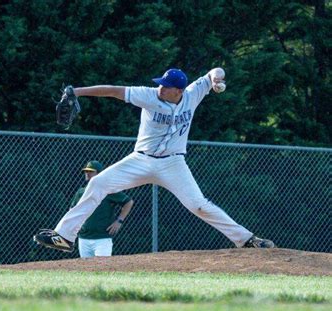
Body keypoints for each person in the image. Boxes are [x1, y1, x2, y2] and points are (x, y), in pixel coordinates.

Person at [34, 67, 275, 252]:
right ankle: (64, 236)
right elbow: (113, 90)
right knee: (97, 183)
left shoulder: (192, 94)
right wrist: (77, 92)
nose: (161, 88)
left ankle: (246, 240)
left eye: (166, 86)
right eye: (161, 84)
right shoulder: (149, 96)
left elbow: (216, 71)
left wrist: (215, 79)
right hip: (140, 161)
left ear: (178, 91)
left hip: (173, 163)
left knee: (198, 205)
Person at [71, 160, 134, 258]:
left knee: (102, 268)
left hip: (102, 238)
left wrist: (119, 221)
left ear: (99, 174)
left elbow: (128, 202)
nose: (87, 173)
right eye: (86, 171)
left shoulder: (107, 190)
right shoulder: (81, 192)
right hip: (83, 238)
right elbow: (73, 211)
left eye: (91, 171)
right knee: (86, 270)